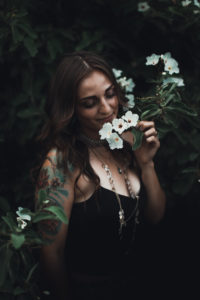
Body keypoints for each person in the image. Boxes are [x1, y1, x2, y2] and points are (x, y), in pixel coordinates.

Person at [35, 51, 166, 300]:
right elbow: (52, 254)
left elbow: (156, 216)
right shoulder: (61, 162)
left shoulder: (127, 144)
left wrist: (146, 163)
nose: (106, 108)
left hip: (141, 287)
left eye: (110, 94)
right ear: (70, 108)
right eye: (89, 102)